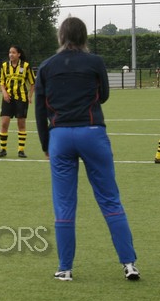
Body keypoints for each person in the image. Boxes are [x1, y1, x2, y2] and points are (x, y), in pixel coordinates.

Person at [35, 17, 140, 282]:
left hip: (60, 136)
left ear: (61, 36)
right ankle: (129, 264)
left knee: (64, 204)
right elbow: (103, 95)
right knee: (110, 198)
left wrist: (46, 144)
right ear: (84, 37)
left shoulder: (46, 66)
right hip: (92, 133)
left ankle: (65, 269)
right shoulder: (95, 62)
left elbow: (39, 108)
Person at [0, 45, 35, 158]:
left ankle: (21, 150)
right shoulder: (4, 66)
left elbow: (32, 82)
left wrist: (30, 96)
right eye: (10, 52)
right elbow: (2, 82)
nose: (11, 54)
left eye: (13, 52)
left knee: (21, 124)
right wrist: (4, 92)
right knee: (4, 123)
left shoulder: (26, 66)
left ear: (19, 54)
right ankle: (3, 149)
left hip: (21, 98)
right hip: (8, 98)